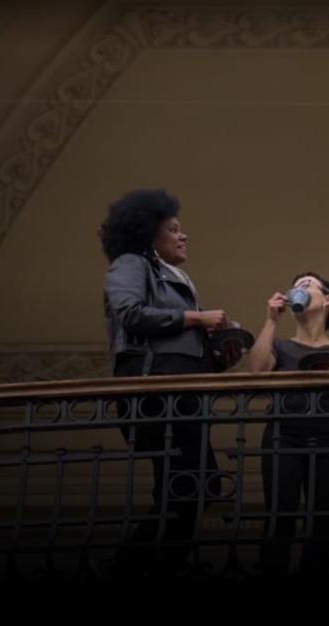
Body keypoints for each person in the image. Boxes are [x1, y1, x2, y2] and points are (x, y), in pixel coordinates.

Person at [100, 188, 236, 576]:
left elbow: (182, 348)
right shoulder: (132, 262)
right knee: (187, 486)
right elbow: (129, 312)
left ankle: (143, 563)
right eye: (173, 229)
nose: (183, 235)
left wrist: (220, 356)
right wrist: (197, 319)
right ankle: (135, 564)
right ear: (148, 236)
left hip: (183, 391)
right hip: (156, 391)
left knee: (197, 484)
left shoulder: (176, 277)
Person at [247, 272, 329, 578]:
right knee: (279, 514)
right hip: (283, 437)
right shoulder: (282, 347)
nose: (297, 289)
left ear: (327, 299)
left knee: (325, 518)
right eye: (295, 286)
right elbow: (256, 375)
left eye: (306, 284)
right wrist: (271, 320)